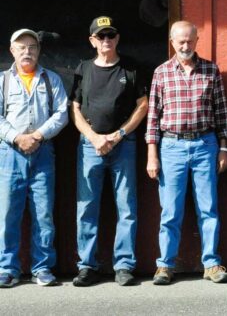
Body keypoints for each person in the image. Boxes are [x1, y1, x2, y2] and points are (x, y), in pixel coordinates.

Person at [146, 20, 227, 285]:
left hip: (205, 144)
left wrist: (224, 148)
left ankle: (212, 263)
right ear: (172, 42)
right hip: (171, 146)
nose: (185, 45)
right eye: (180, 41)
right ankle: (165, 265)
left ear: (196, 41)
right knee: (170, 210)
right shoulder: (161, 72)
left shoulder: (211, 70)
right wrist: (152, 153)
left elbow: (221, 113)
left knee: (208, 208)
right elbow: (153, 116)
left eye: (189, 41)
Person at [70, 16, 148, 287]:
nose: (106, 40)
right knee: (87, 207)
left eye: (111, 35)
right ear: (92, 40)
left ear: (117, 38)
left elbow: (143, 105)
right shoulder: (83, 69)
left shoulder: (131, 68)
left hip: (123, 146)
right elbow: (75, 109)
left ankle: (124, 265)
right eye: (101, 36)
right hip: (90, 147)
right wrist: (93, 137)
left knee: (126, 207)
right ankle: (87, 266)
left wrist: (119, 135)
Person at [0, 29, 68, 288]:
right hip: (9, 153)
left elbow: (61, 113)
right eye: (21, 47)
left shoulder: (51, 80)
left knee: (43, 213)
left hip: (42, 153)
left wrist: (37, 136)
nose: (27, 52)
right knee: (7, 214)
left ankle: (42, 268)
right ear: (12, 51)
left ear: (39, 50)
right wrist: (18, 137)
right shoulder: (3, 81)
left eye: (32, 47)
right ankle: (7, 268)